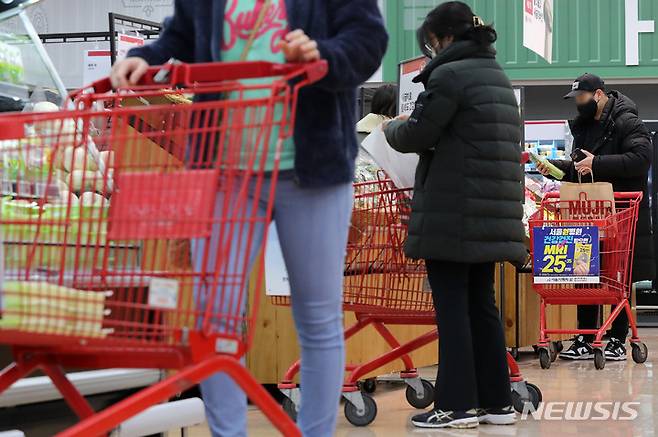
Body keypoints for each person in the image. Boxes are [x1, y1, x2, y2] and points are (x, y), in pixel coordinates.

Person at [111, 1, 388, 437]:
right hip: (224, 170)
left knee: (317, 315)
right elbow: (181, 34)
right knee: (214, 316)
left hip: (313, 168)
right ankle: (227, 433)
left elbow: (368, 42)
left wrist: (321, 53)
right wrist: (144, 57)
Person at [383, 1, 526, 429]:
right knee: (481, 304)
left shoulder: (449, 75)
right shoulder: (496, 76)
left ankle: (456, 405)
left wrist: (391, 126)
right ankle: (497, 403)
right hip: (490, 212)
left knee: (452, 307)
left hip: (454, 210)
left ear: (445, 38)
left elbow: (418, 134)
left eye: (432, 41)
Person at [537, 73, 655, 361]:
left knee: (619, 277)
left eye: (582, 98)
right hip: (590, 212)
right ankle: (586, 336)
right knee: (585, 272)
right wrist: (554, 167)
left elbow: (642, 159)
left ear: (599, 95)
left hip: (622, 212)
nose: (578, 104)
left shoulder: (626, 120)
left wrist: (598, 162)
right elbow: (582, 169)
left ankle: (617, 337)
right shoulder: (584, 127)